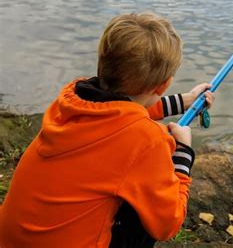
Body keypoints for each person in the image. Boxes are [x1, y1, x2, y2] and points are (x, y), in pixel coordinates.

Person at [0, 13, 215, 247]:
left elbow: (119, 112)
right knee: (144, 208)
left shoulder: (69, 102)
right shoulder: (146, 140)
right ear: (163, 84)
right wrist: (183, 152)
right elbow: (167, 226)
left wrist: (183, 101)